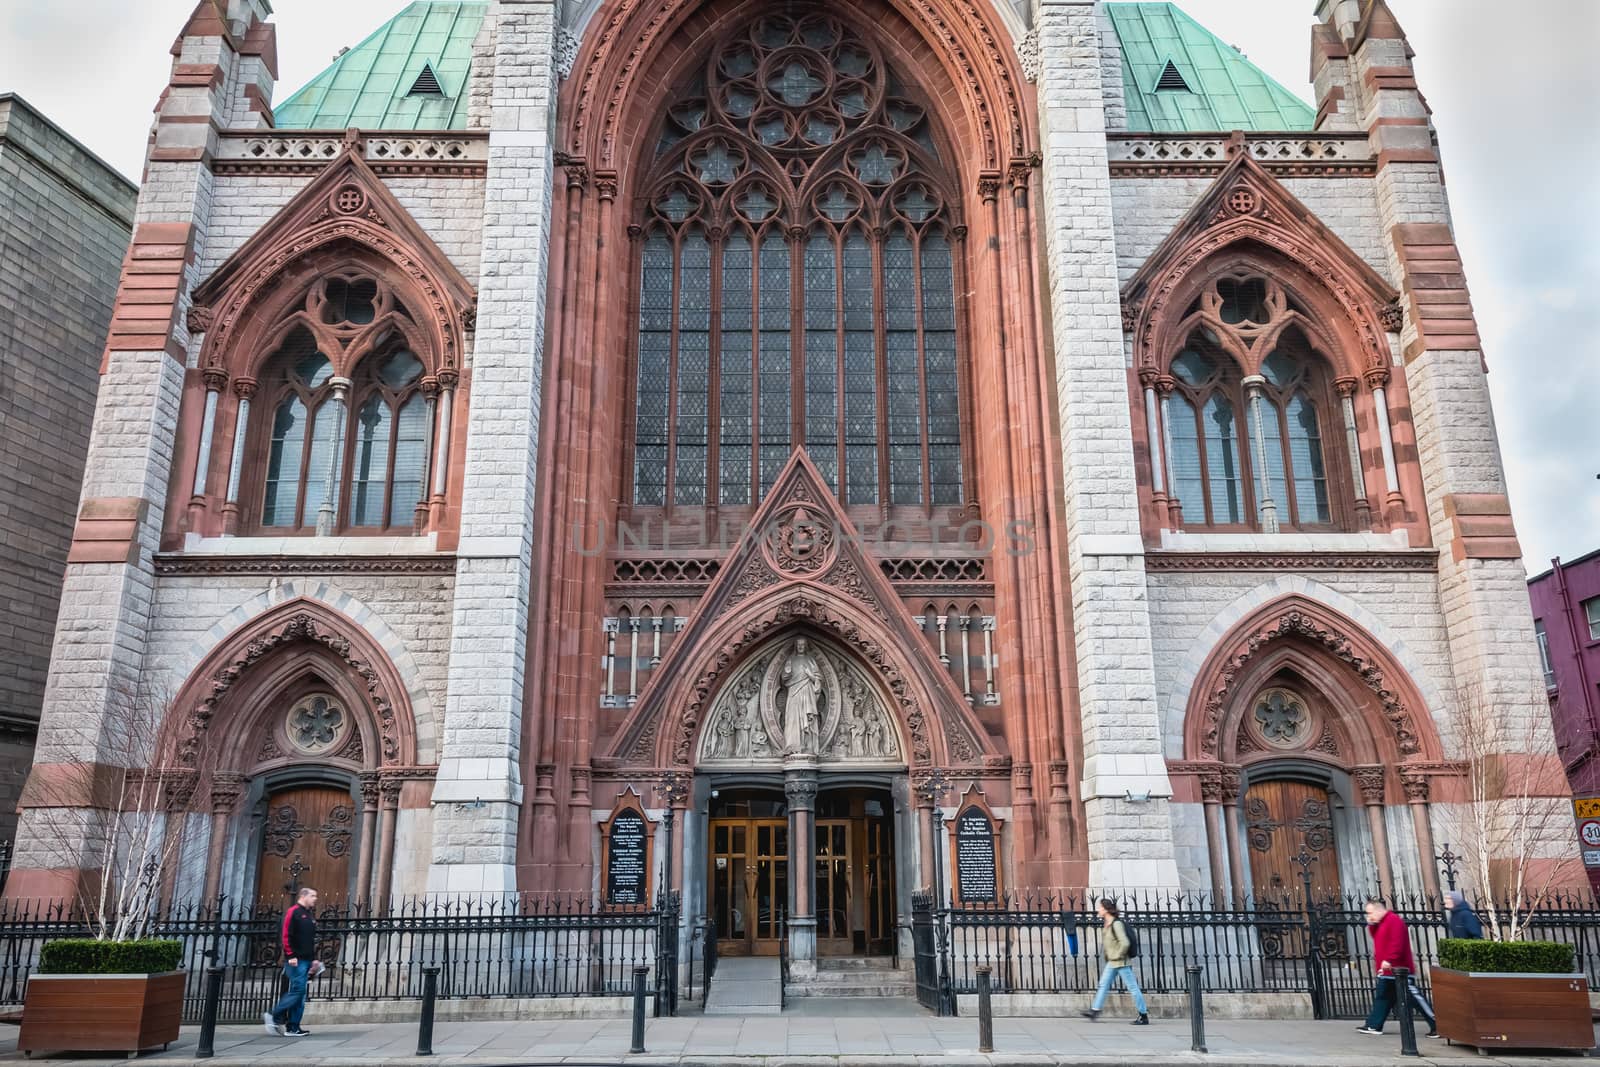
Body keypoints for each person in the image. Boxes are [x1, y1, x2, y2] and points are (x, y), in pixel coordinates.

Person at [1357, 896, 1437, 1038]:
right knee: (1383, 998)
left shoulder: (1393, 921)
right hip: (1387, 971)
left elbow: (1397, 943)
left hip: (1399, 969)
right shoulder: (1380, 923)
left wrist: (1389, 959)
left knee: (1415, 998)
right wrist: (1372, 924)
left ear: (1378, 910)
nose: (1369, 916)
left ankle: (1437, 1024)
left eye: (1370, 913)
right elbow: (1376, 937)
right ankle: (1374, 1025)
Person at [1080, 898, 1149, 1025]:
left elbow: (1125, 943)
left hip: (1120, 961)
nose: (1098, 910)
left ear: (1106, 909)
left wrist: (1117, 955)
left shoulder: (1116, 924)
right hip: (1112, 962)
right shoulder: (1108, 923)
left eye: (1100, 907)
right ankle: (1094, 1010)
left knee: (1132, 987)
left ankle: (1143, 1015)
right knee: (1103, 984)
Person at [264, 887, 319, 1038]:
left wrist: (313, 959)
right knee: (298, 991)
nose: (315, 899)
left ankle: (293, 1027)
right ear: (303, 896)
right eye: (313, 896)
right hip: (296, 960)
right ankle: (273, 1015)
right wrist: (290, 955)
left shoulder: (308, 915)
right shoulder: (293, 912)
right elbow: (286, 934)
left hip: (306, 959)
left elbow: (309, 939)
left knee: (300, 995)